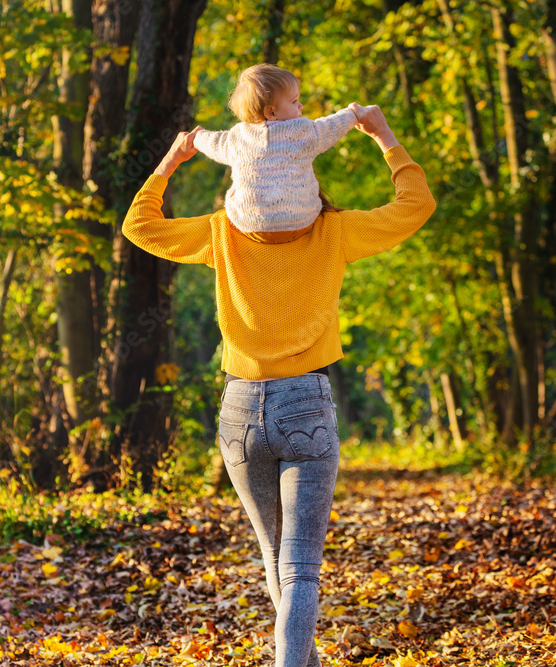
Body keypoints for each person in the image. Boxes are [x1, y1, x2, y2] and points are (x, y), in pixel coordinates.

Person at [121, 103, 436, 667]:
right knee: (301, 565)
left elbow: (139, 226)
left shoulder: (221, 233)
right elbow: (416, 206)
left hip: (239, 410)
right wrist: (384, 135)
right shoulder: (334, 230)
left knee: (276, 556)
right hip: (306, 406)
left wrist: (170, 162)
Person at [193, 63, 359, 236]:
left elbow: (214, 142)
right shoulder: (304, 132)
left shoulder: (236, 138)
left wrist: (197, 137)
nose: (300, 105)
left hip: (250, 224)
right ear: (271, 112)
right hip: (299, 221)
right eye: (294, 101)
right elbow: (331, 126)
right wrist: (353, 114)